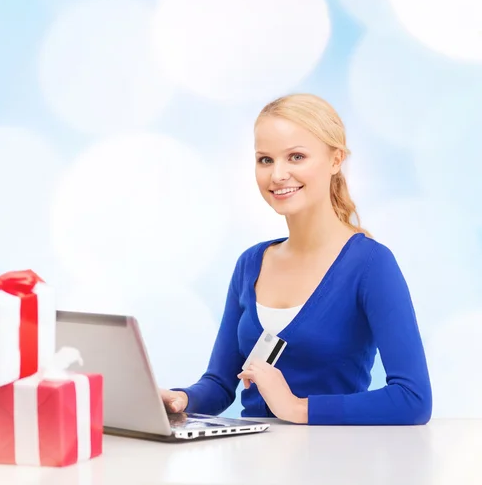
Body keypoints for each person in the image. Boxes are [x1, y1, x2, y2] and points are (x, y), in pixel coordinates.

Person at [160, 93, 432, 425]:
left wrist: (296, 408)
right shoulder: (251, 264)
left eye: (296, 157)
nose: (277, 175)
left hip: (335, 463)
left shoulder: (371, 265)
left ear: (336, 160)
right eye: (265, 160)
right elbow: (219, 384)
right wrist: (182, 399)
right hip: (254, 463)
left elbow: (412, 399)